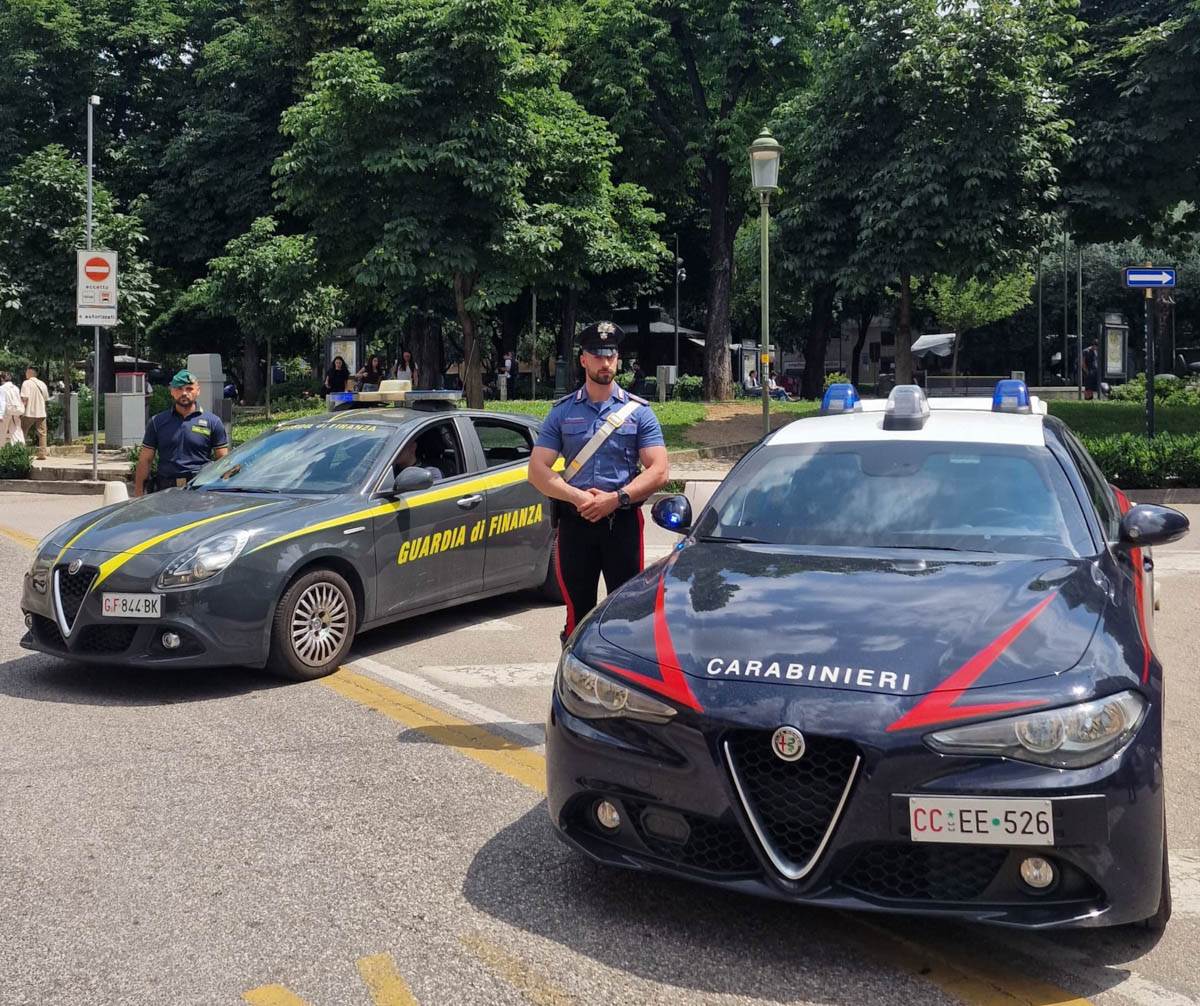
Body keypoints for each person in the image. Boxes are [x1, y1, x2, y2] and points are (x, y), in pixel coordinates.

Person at [528, 321, 670, 644]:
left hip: (621, 524)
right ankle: (573, 682)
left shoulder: (639, 413)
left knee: (627, 611)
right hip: (576, 527)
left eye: (611, 355)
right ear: (583, 360)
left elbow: (659, 469)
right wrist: (577, 497)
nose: (605, 363)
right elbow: (537, 469)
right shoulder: (562, 413)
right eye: (597, 355)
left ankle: (623, 683)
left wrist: (616, 498)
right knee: (578, 614)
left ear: (617, 359)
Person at [134, 370, 229, 495]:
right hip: (165, 491)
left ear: (198, 391)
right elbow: (145, 460)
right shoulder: (157, 422)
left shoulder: (213, 422)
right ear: (172, 392)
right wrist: (139, 494)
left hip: (199, 490)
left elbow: (223, 461)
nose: (184, 393)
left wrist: (223, 492)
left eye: (189, 388)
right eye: (179, 389)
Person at [19, 367, 49, 460]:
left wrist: (20, 411)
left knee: (22, 432)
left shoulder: (26, 383)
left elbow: (24, 398)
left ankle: (21, 452)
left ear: (29, 373)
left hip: (29, 412)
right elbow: (46, 398)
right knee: (42, 433)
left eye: (26, 372)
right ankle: (42, 454)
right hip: (41, 412)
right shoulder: (42, 384)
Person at [0, 372, 25, 446]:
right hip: (15, 412)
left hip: (6, 413)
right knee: (16, 432)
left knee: (1, 433)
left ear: (1, 379)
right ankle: (20, 450)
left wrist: (0, 415)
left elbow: (2, 402)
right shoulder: (15, 387)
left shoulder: (2, 388)